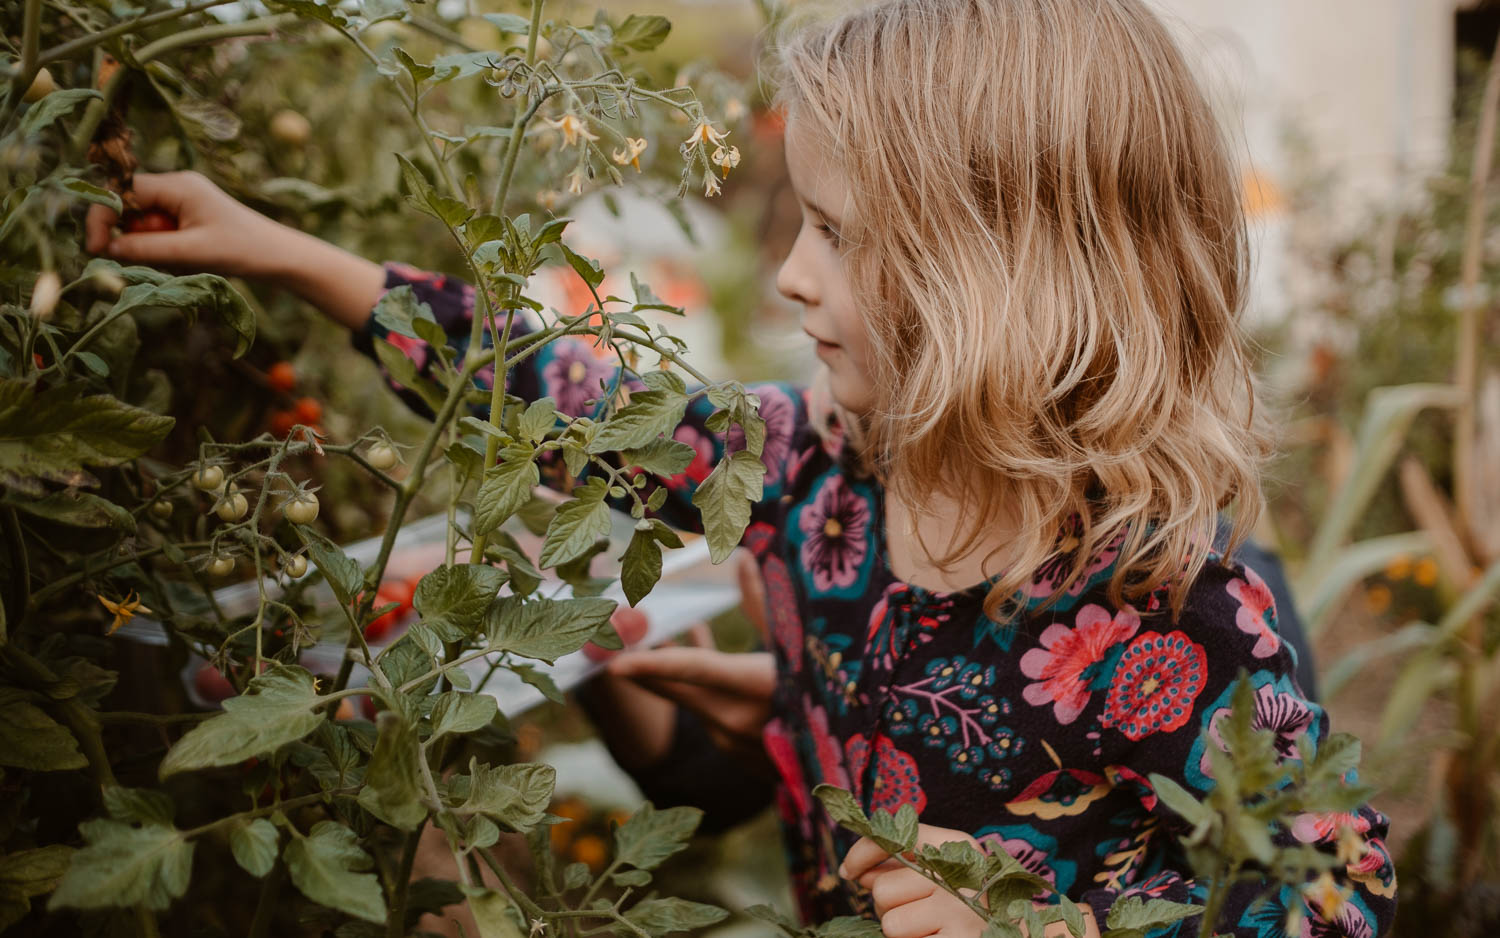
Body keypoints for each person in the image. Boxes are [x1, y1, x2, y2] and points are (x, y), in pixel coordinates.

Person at [83, 0, 1391, 933]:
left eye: (836, 232)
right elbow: (571, 401)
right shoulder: (817, 467)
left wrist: (1066, 921)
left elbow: (1328, 891)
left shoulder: (1185, 607)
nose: (790, 275)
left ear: (1005, 276)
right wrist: (294, 255)